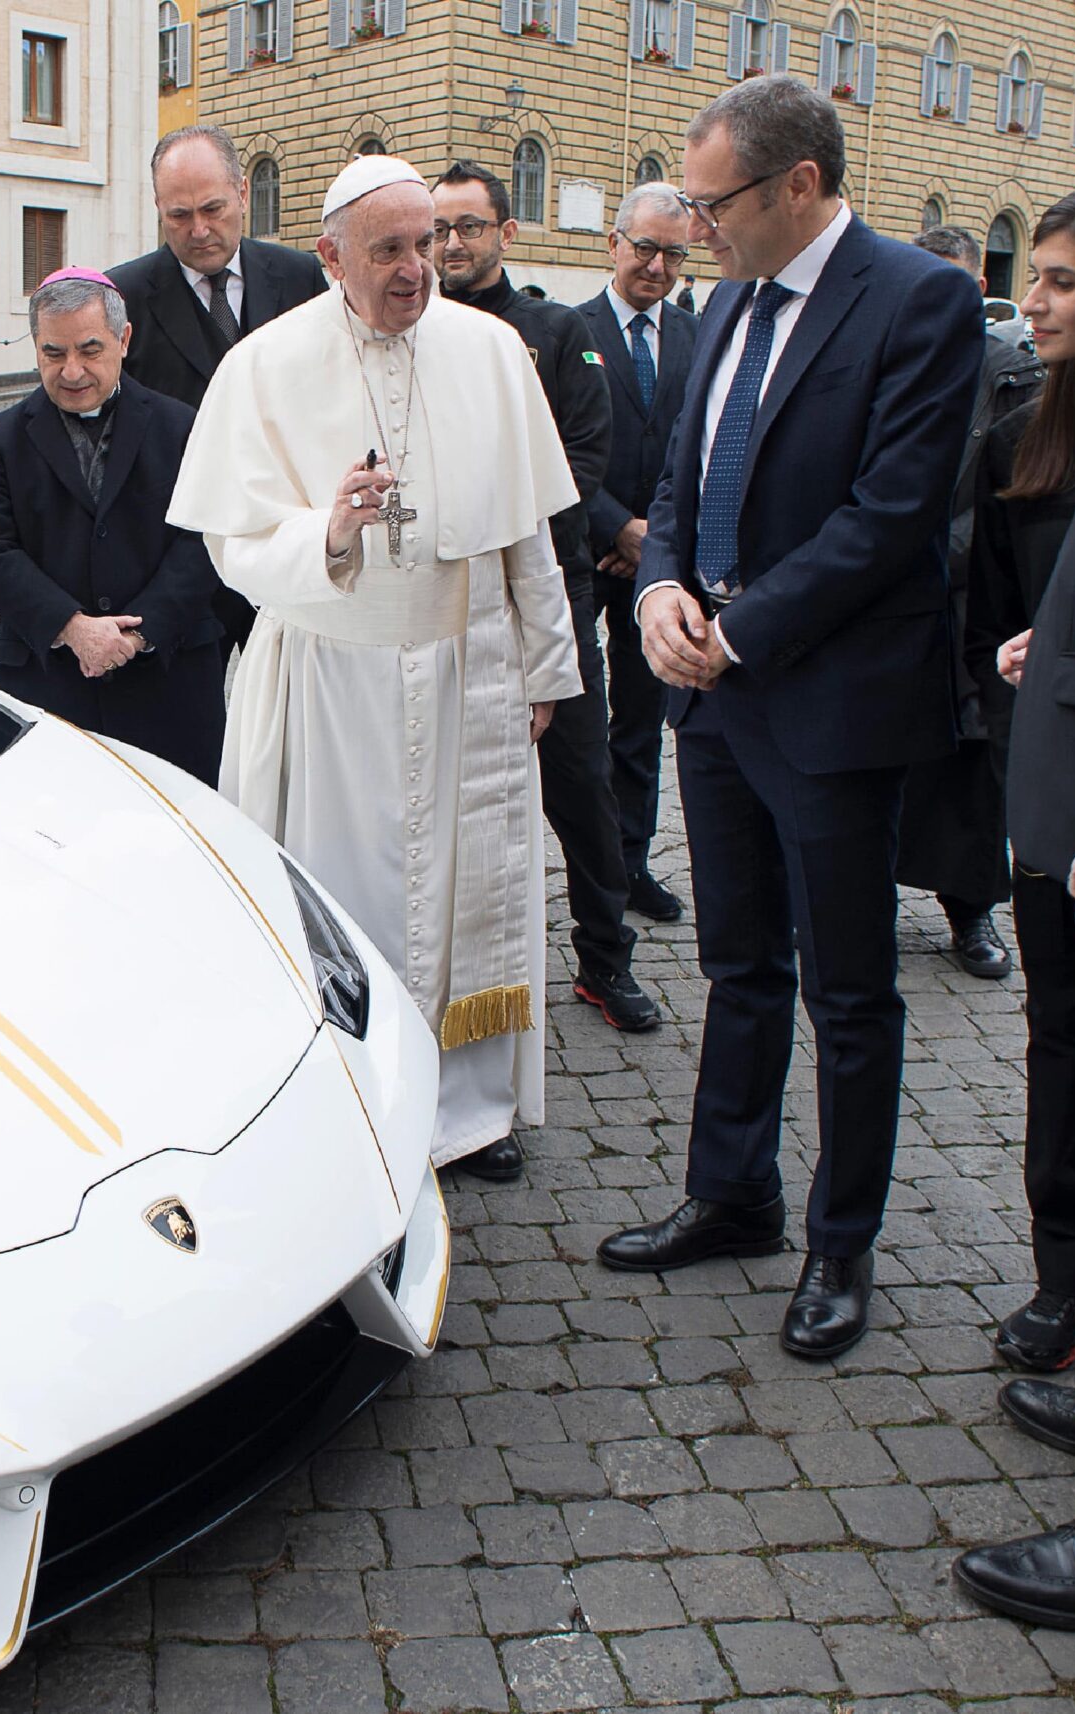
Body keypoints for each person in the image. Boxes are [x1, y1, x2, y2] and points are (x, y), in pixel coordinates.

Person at [596, 76, 983, 1362]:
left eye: (713, 206)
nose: (693, 230)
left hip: (828, 703)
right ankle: (734, 1193)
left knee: (850, 987)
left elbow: (890, 515)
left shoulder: (916, 300)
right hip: (711, 699)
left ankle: (839, 1243)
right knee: (737, 963)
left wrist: (739, 629)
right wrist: (656, 590)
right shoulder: (721, 303)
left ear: (798, 186)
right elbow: (672, 470)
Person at [168, 155, 584, 1177]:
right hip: (330, 682)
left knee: (463, 893)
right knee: (345, 898)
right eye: (389, 250)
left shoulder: (489, 350)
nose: (416, 269)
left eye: (427, 243)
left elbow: (525, 533)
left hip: (462, 674)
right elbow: (234, 543)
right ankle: (352, 1101)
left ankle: (470, 1109)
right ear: (329, 256)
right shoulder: (265, 365)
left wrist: (542, 672)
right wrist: (332, 531)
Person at [950, 180, 1075, 1628]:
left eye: (1060, 278)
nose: (1032, 300)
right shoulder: (1054, 424)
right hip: (1056, 809)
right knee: (1074, 1062)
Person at [432, 160, 663, 1073]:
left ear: (505, 233)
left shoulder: (556, 333)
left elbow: (583, 459)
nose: (452, 245)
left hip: (543, 590)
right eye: (440, 229)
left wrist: (504, 528)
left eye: (469, 227)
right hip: (443, 603)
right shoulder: (419, 330)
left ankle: (604, 960)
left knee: (581, 787)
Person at [0, 269, 224, 784]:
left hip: (168, 677)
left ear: (123, 340)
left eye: (89, 349)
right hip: (51, 681)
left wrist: (137, 634)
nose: (72, 370)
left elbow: (203, 539)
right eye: (53, 353)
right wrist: (72, 627)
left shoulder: (181, 426)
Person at [111, 126, 330, 653]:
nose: (199, 229)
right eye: (179, 216)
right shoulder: (124, 294)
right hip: (180, 556)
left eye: (213, 209)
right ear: (158, 207)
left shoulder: (300, 278)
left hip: (286, 539)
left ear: (241, 193)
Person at [895, 225, 1045, 980]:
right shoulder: (892, 358)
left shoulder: (1014, 370)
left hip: (971, 594)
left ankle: (971, 909)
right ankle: (860, 897)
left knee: (973, 770)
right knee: (884, 759)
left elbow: (1015, 488)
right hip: (891, 596)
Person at [580, 185, 700, 926]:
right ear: (614, 244)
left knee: (641, 723)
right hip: (582, 556)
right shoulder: (571, 329)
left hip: (655, 564)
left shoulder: (695, 336)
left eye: (674, 254)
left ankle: (632, 862)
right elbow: (556, 449)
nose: (657, 266)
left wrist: (651, 539)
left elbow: (698, 449)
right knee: (577, 724)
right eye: (645, 248)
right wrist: (614, 527)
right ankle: (588, 866)